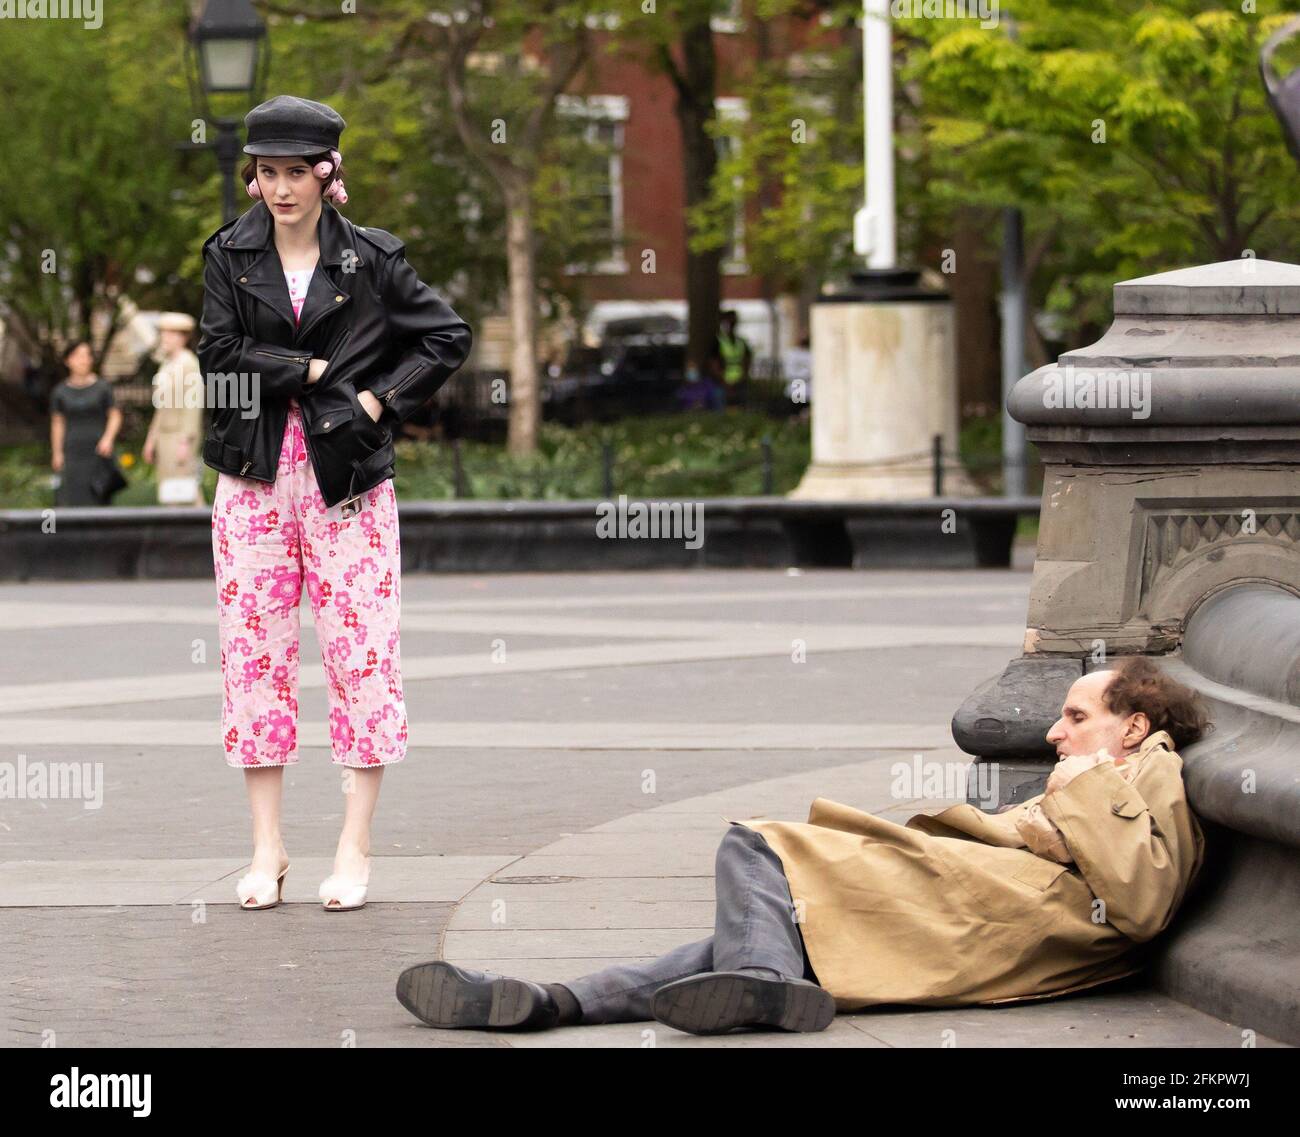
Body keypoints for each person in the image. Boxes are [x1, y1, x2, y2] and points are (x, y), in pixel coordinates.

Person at [396, 655, 1210, 1035]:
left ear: (1134, 723)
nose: (1052, 729)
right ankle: (548, 1001)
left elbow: (1140, 904)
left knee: (757, 846)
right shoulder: (1111, 774)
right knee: (751, 935)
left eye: (1075, 715)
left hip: (1001, 916)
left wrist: (1082, 787)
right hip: (979, 904)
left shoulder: (1152, 769)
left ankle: (761, 984)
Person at [197, 95, 472, 912]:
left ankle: (354, 846)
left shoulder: (374, 260)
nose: (279, 189)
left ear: (327, 173)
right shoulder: (228, 255)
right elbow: (219, 358)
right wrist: (314, 373)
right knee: (253, 658)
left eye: (295, 172)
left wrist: (380, 401)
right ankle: (266, 846)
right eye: (266, 172)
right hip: (249, 478)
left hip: (347, 478)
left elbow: (445, 336)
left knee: (362, 656)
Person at [49, 340, 123, 506]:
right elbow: (57, 423)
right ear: (68, 360)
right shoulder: (59, 392)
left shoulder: (103, 387)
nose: (83, 360)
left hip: (98, 450)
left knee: (99, 495)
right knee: (72, 496)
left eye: (86, 355)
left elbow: (115, 415)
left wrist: (108, 438)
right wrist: (57, 452)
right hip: (73, 450)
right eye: (78, 356)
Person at [143, 312, 205, 506]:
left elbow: (193, 405)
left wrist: (185, 440)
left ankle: (203, 533)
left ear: (183, 337)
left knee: (186, 488)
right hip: (164, 435)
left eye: (171, 334)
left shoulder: (189, 363)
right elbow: (160, 407)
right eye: (164, 333)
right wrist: (151, 439)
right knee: (169, 489)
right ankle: (173, 534)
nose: (165, 338)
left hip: (180, 435)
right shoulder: (166, 364)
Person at [712, 309, 752, 408]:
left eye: (733, 322)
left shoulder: (741, 342)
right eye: (729, 322)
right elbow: (714, 365)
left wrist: (742, 378)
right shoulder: (718, 342)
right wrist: (724, 383)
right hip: (722, 384)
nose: (732, 325)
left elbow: (747, 361)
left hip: (740, 383)